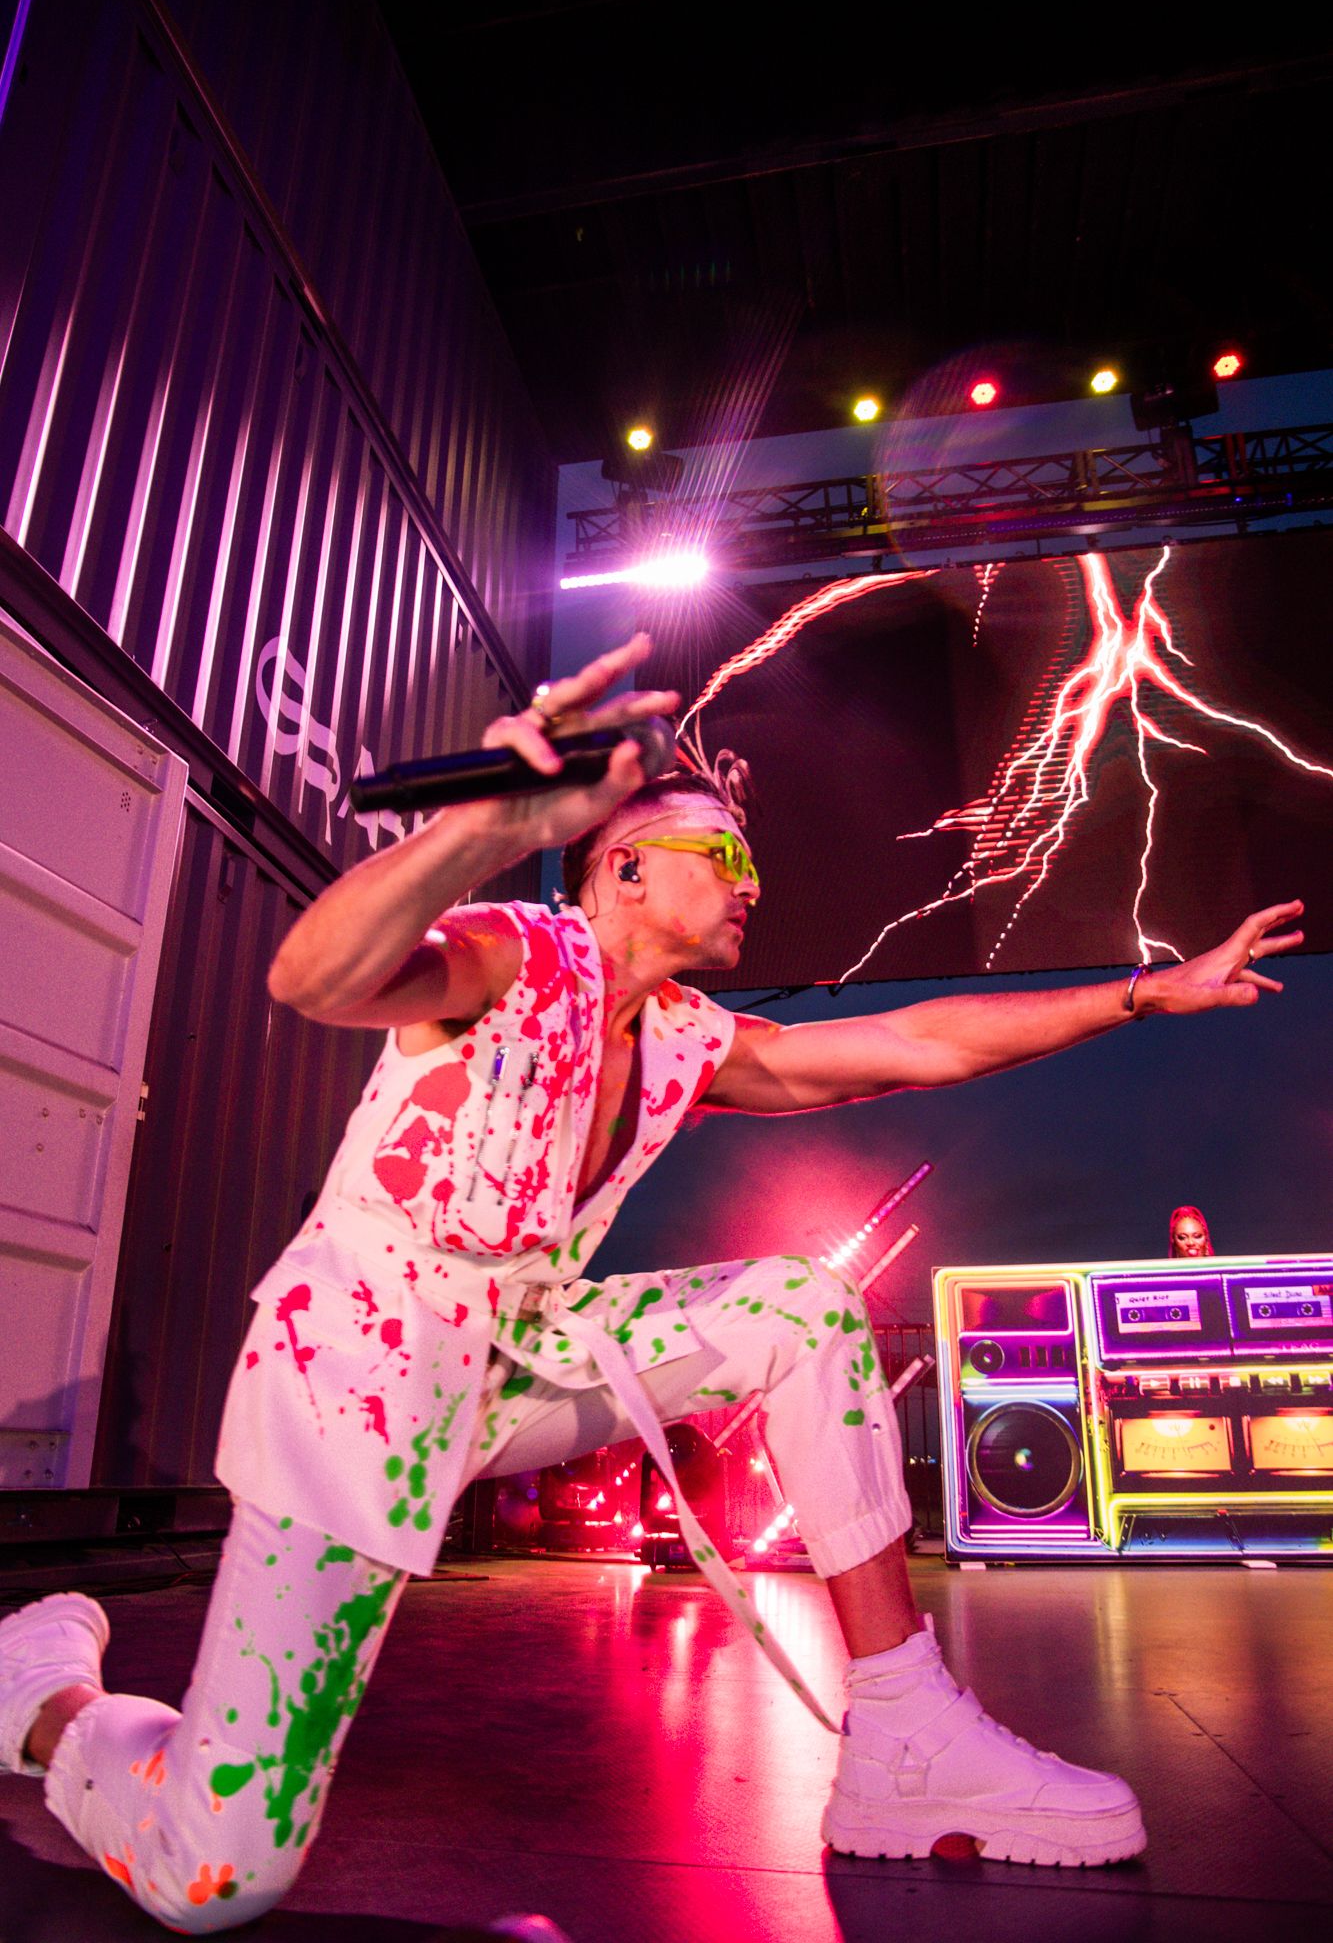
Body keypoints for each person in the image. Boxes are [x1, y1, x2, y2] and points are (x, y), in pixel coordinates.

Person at [0, 633, 1304, 1932]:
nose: (753, 884)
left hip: (522, 1363)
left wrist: (1137, 995)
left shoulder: (684, 1038)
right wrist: (483, 826)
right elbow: (314, 977)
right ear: (621, 866)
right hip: (366, 1390)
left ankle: (905, 1737)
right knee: (214, 1878)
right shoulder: (519, 955)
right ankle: (45, 1695)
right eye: (723, 854)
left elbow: (908, 1042)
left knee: (799, 1307)